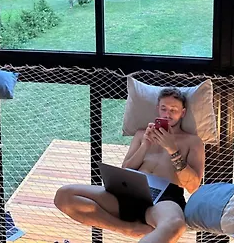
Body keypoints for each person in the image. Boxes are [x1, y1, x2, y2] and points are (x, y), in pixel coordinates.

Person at [54, 87, 205, 243]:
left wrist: (173, 150)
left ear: (183, 112)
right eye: (164, 108)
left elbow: (193, 186)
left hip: (164, 198)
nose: (167, 114)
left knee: (175, 225)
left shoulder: (192, 142)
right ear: (157, 109)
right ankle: (127, 228)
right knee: (64, 195)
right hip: (131, 189)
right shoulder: (142, 134)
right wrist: (145, 145)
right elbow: (126, 169)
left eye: (173, 110)